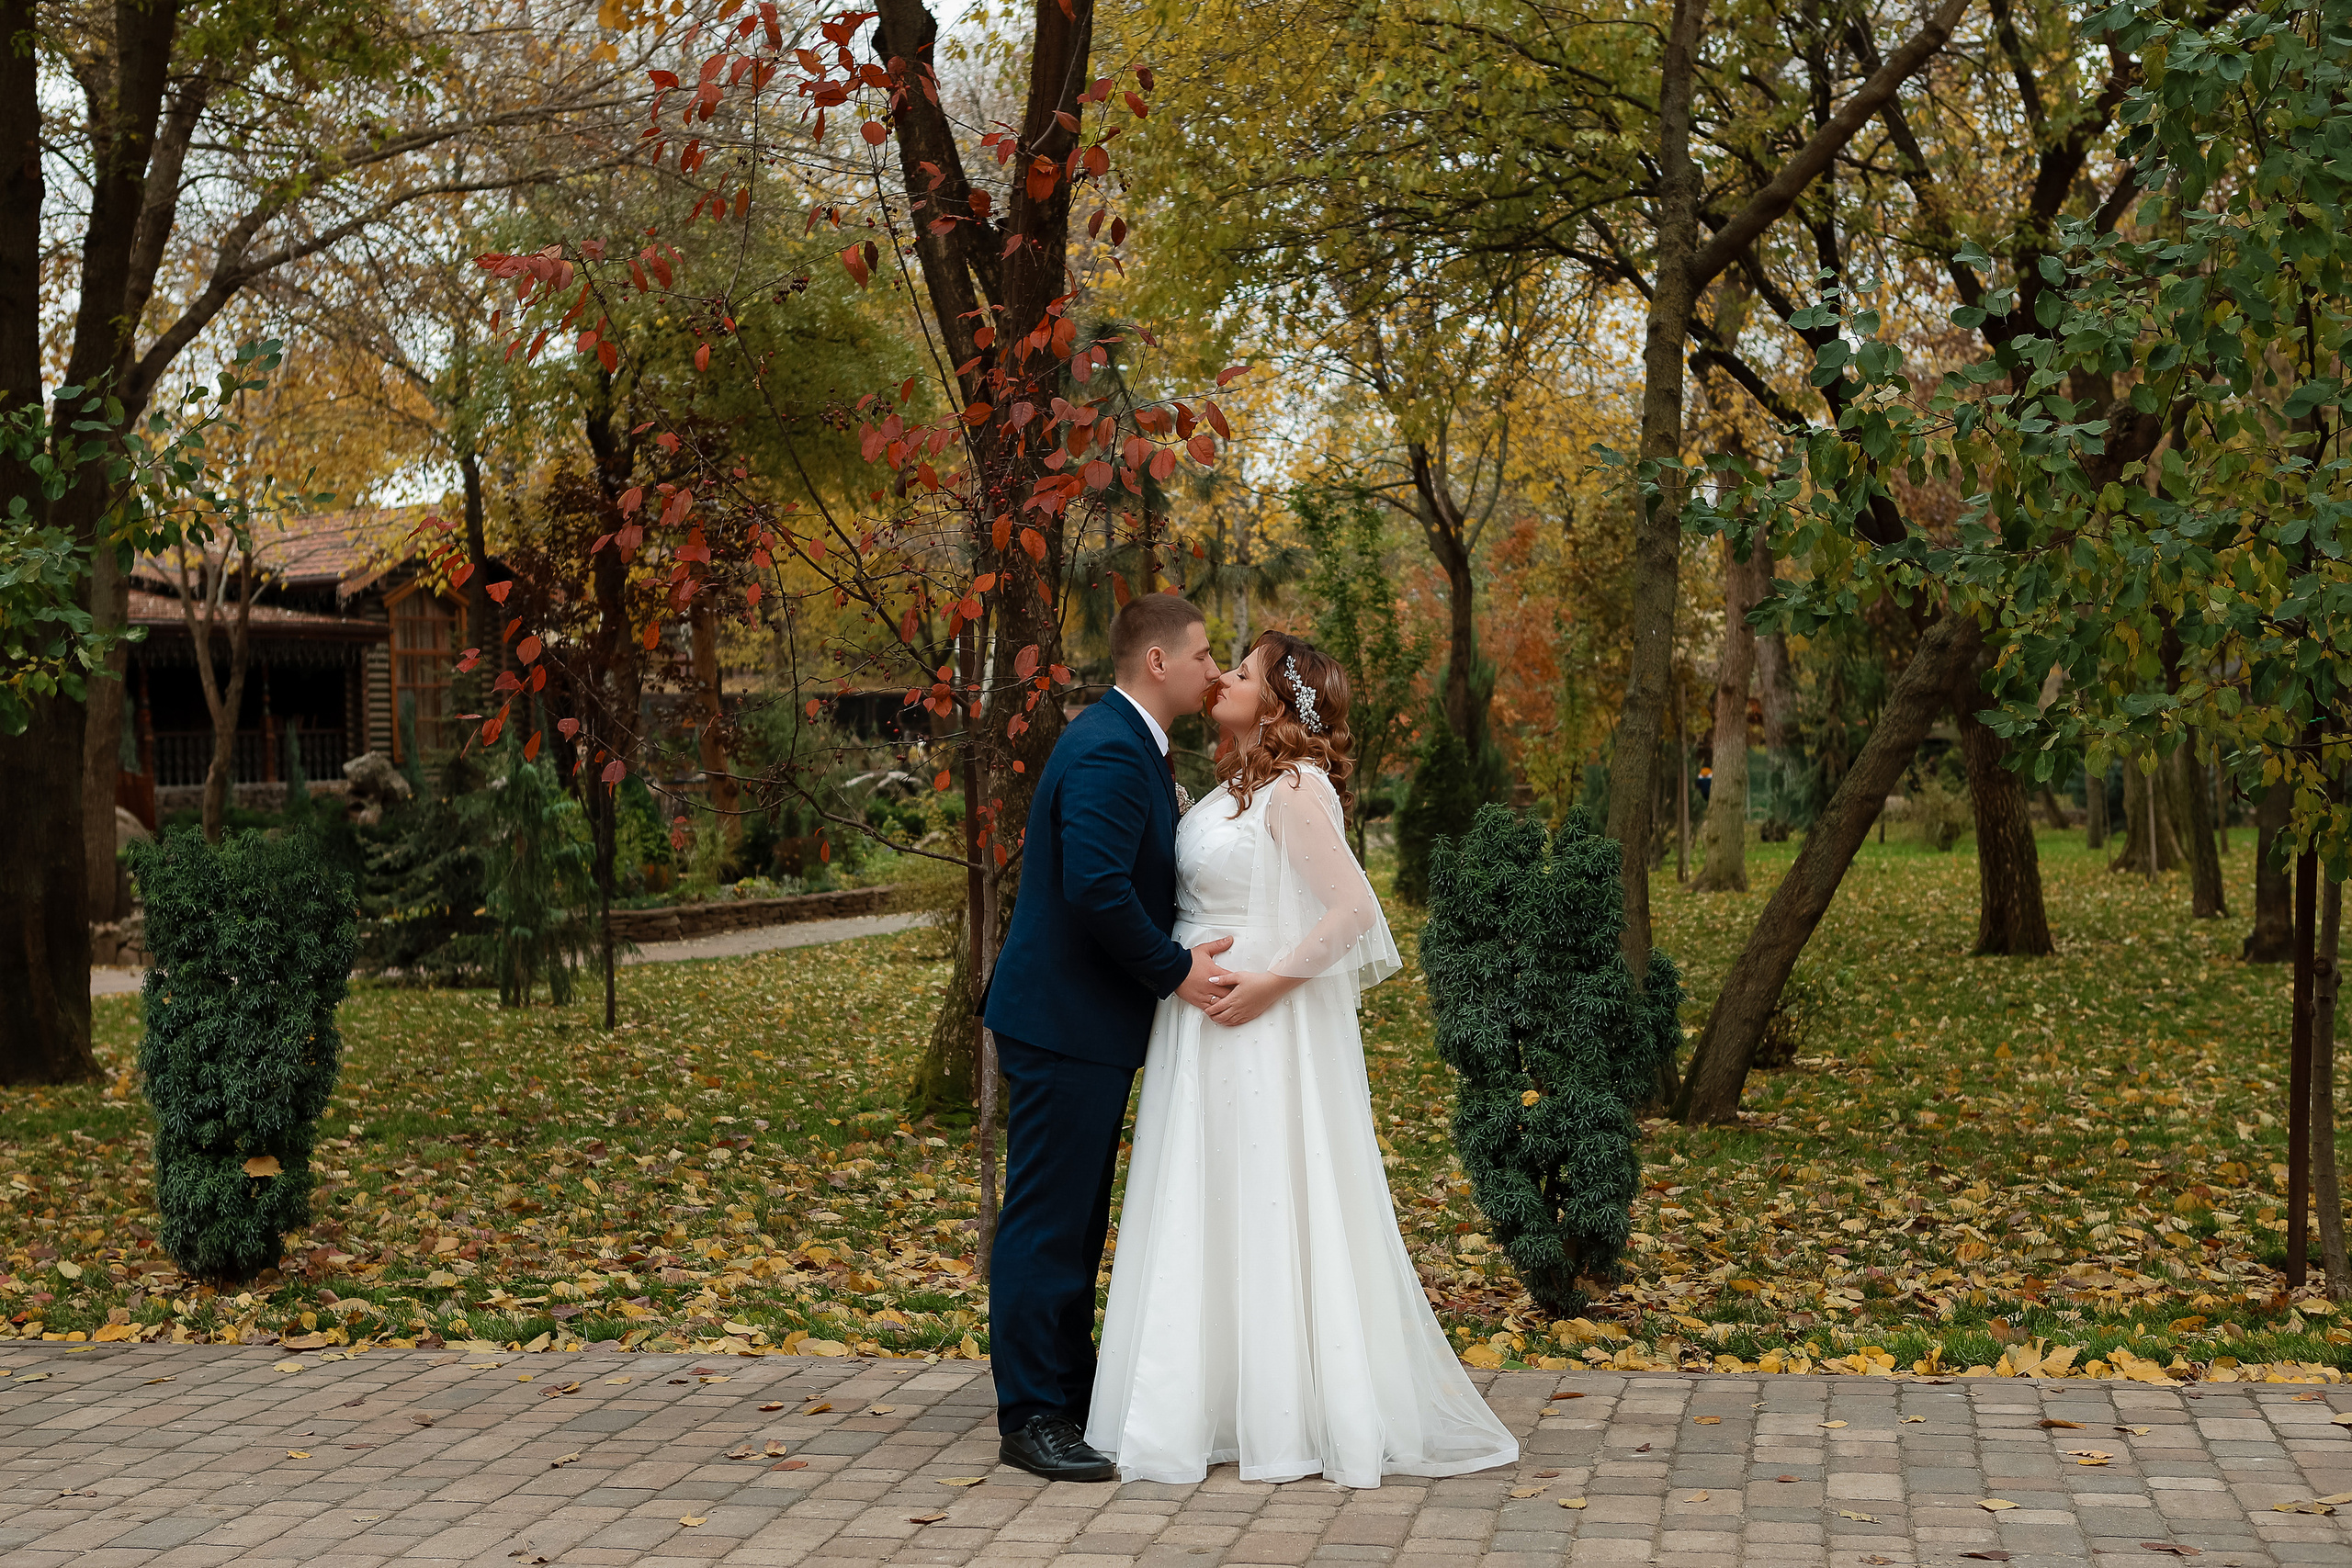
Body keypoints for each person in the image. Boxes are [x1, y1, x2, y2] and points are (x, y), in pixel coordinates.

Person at [1086, 628, 1520, 1488]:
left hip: (1258, 1024)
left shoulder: (1295, 788)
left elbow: (1354, 912)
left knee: (1267, 1194)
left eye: (1239, 672)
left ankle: (1286, 1409)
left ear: (1279, 700)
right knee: (1209, 1198)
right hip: (1200, 1020)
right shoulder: (1233, 786)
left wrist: (1267, 987)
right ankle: (1207, 1398)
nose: (1222, 679)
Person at [980, 592, 1237, 1482]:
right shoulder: (1108, 750)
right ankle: (1031, 1415)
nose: (1214, 670)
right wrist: (1176, 971)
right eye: (1204, 655)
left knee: (1075, 1222)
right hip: (1061, 1024)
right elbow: (1094, 886)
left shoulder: (1129, 745)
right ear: (1157, 663)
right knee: (1048, 1223)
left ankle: (1069, 1388)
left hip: (1082, 1027)